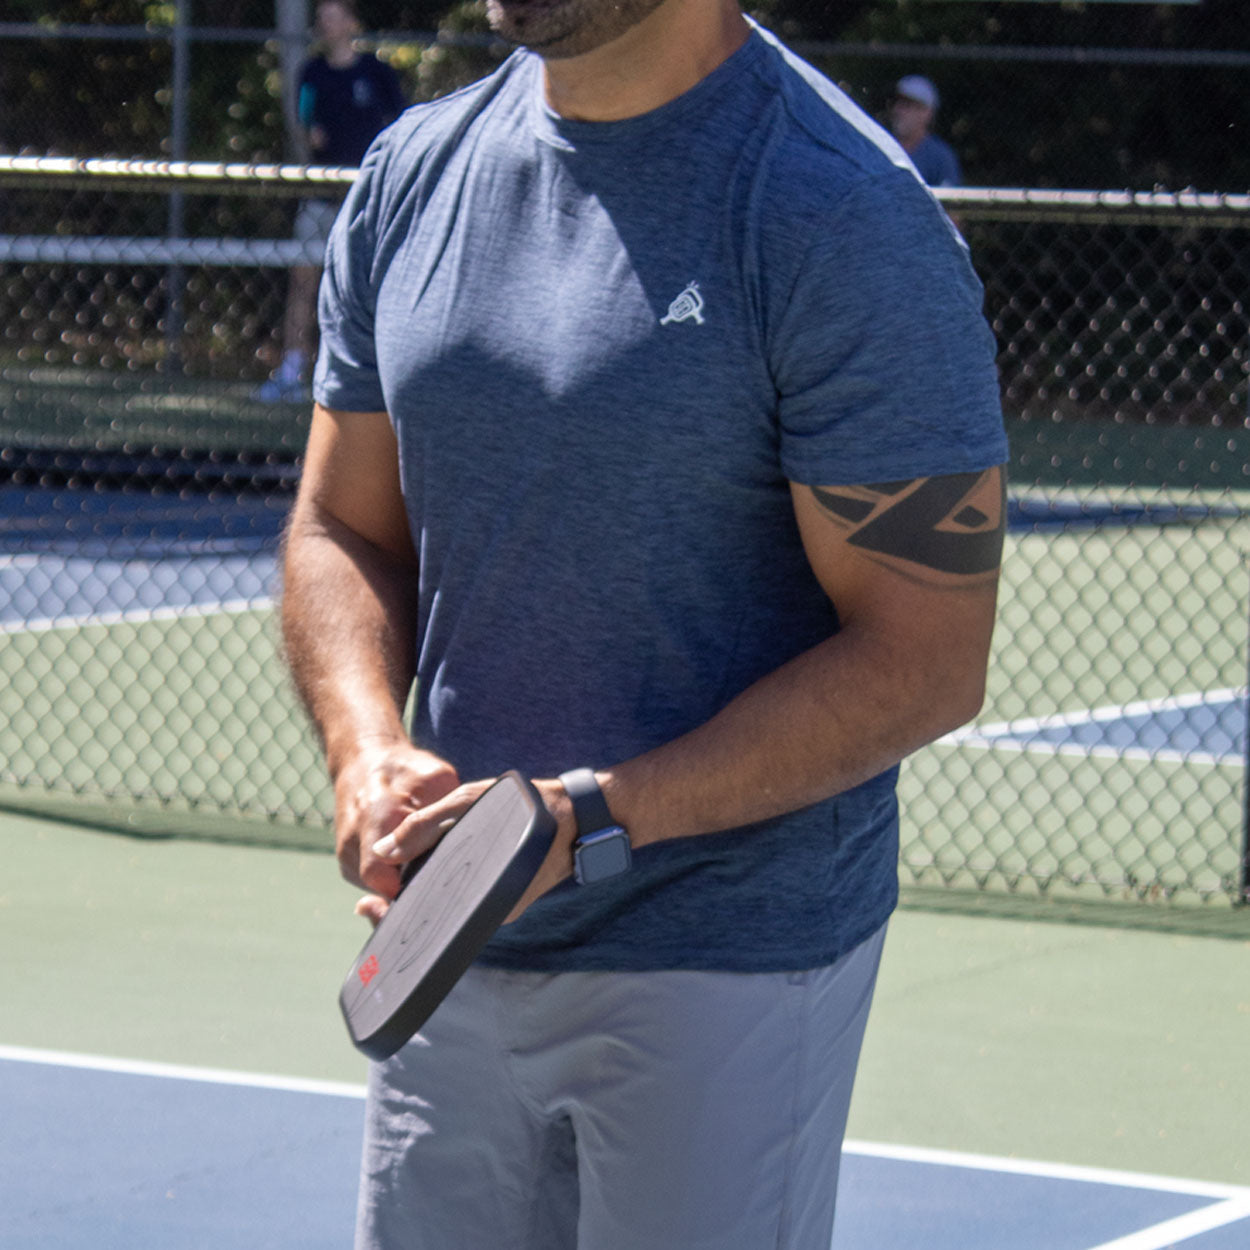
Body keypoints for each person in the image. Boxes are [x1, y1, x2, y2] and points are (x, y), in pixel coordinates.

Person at [281, 1, 1008, 1246]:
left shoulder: (836, 211)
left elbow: (924, 657)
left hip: (725, 960)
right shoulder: (412, 174)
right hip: (450, 947)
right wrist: (364, 750)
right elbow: (338, 530)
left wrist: (593, 820)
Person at [255, 0, 406, 402]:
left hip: (368, 203)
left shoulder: (379, 73)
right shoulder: (313, 73)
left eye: (334, 17)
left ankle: (371, 381)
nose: (327, 25)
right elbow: (305, 120)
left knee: (370, 290)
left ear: (353, 23)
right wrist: (312, 136)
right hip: (320, 199)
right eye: (322, 20)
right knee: (303, 282)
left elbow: (401, 128)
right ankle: (291, 372)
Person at [889, 74, 962, 188]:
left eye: (907, 105)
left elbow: (947, 202)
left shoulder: (940, 157)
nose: (898, 110)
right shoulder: (881, 148)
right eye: (897, 103)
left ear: (926, 113)